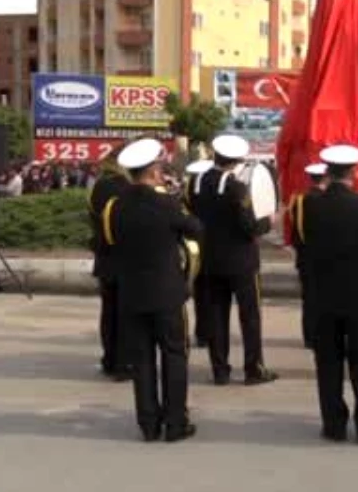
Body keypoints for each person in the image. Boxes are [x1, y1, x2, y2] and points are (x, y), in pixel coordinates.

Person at [102, 138, 202, 442]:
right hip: (167, 293)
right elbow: (196, 230)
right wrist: (176, 202)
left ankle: (148, 424)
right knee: (174, 355)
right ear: (154, 171)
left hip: (132, 293)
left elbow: (109, 242)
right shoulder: (167, 203)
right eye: (159, 167)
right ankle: (175, 422)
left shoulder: (114, 207)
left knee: (142, 359)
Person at [299, 144, 358, 443]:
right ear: (353, 171)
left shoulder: (311, 205)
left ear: (327, 171)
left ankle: (334, 425)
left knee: (328, 363)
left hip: (323, 296)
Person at [191, 134, 278, 386]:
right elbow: (248, 227)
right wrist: (267, 221)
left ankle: (220, 370)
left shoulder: (196, 182)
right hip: (241, 262)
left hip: (210, 260)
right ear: (237, 161)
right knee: (249, 316)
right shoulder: (236, 187)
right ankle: (254, 369)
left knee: (216, 316)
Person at [89, 148, 131, 381]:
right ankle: (125, 363)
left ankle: (110, 359)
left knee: (109, 312)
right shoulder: (129, 188)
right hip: (127, 258)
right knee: (127, 314)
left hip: (105, 258)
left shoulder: (98, 186)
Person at [291, 163, 328, 350]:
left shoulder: (298, 201)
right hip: (326, 258)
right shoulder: (328, 200)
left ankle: (309, 336)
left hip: (305, 257)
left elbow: (295, 233)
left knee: (309, 298)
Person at [182, 159, 214, 348]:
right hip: (213, 246)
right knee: (211, 294)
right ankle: (209, 333)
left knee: (201, 292)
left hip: (197, 245)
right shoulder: (214, 188)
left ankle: (202, 333)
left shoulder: (189, 190)